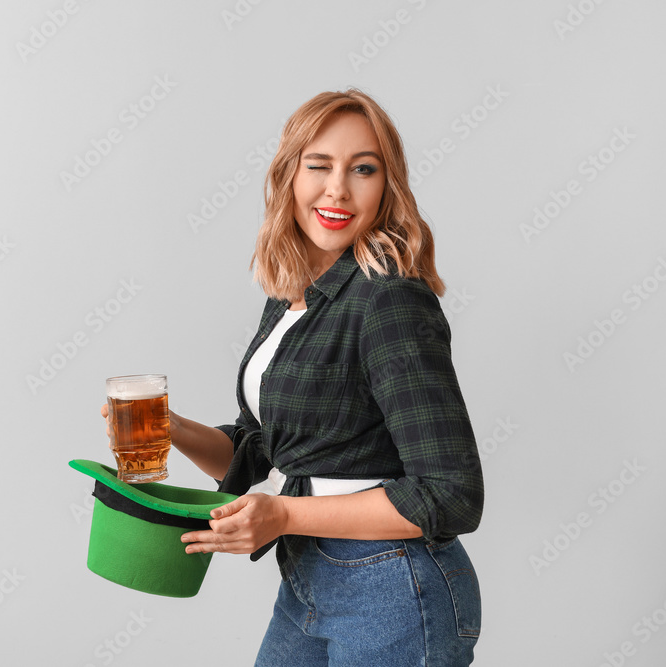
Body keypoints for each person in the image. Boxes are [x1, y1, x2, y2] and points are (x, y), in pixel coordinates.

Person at [103, 89, 483, 665]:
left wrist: (281, 514)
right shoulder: (292, 297)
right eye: (319, 165)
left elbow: (451, 495)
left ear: (387, 186)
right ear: (289, 176)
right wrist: (169, 426)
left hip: (395, 589)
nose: (338, 189)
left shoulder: (389, 302)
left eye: (363, 169)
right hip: (307, 578)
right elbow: (260, 450)